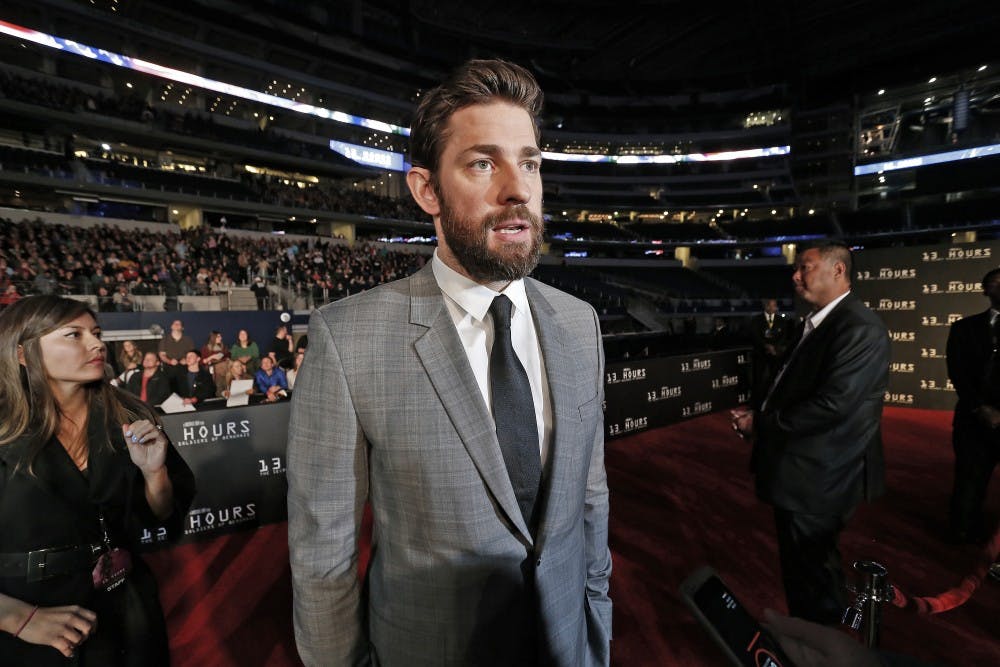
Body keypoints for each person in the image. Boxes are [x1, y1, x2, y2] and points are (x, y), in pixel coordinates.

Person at [287, 59, 611, 666]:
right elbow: (321, 555)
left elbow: (590, 502)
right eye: (483, 163)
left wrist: (596, 633)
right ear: (426, 190)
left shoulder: (579, 322)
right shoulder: (347, 338)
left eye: (531, 162)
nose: (518, 188)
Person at [0, 295, 195, 665]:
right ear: (24, 353)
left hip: (125, 614)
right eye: (74, 334)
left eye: (96, 332)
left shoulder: (128, 415)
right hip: (28, 627)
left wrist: (155, 474)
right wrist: (17, 619)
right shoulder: (4, 428)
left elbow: (160, 515)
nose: (97, 344)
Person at [731, 241, 890, 624]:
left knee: (814, 577)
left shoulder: (859, 327)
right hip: (806, 472)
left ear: (838, 271)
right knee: (804, 572)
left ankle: (821, 648)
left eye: (805, 267)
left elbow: (833, 406)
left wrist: (761, 424)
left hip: (822, 476)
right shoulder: (822, 322)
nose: (795, 276)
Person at [945, 267, 1000, 544]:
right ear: (985, 291)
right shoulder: (964, 328)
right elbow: (957, 371)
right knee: (969, 481)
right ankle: (961, 533)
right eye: (995, 283)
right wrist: (981, 407)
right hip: (973, 420)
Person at [749, 298, 793, 409]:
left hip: (775, 355)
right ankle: (756, 404)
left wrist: (775, 348)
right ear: (766, 306)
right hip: (760, 355)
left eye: (775, 305)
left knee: (775, 379)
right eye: (772, 305)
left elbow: (784, 336)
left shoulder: (781, 320)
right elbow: (755, 336)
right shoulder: (756, 320)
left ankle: (773, 402)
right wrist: (766, 346)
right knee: (758, 380)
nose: (775, 308)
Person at [200, 330, 230, 396]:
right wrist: (211, 357)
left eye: (220, 336)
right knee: (219, 369)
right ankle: (221, 392)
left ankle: (227, 390)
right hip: (212, 368)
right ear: (213, 338)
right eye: (218, 336)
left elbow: (228, 356)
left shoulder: (224, 347)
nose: (221, 338)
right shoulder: (206, 348)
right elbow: (202, 362)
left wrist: (224, 358)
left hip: (225, 367)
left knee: (228, 366)